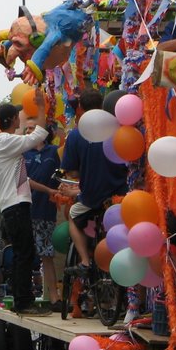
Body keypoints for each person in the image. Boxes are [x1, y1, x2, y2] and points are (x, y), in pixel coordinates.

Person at [0, 96, 51, 316]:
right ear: (12, 119)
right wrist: (42, 108)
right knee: (25, 253)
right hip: (16, 203)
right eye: (17, 116)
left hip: (10, 205)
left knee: (21, 252)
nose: (20, 119)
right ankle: (24, 301)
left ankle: (19, 296)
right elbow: (39, 135)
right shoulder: (7, 142)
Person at [59, 88, 129, 269]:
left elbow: (72, 173)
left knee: (74, 215)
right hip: (122, 194)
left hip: (92, 197)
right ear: (103, 105)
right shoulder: (118, 129)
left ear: (81, 108)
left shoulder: (75, 135)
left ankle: (85, 261)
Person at [23, 118, 62, 312]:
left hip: (46, 210)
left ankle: (54, 297)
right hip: (26, 209)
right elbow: (24, 180)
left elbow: (61, 174)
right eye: (27, 129)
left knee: (47, 254)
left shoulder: (53, 152)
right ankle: (26, 294)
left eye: (32, 128)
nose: (29, 132)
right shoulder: (23, 154)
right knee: (26, 254)